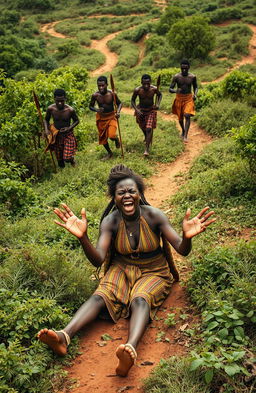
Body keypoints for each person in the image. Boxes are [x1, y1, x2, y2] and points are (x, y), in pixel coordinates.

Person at [37, 164, 215, 377]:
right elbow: (98, 260)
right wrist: (83, 237)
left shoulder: (154, 216)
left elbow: (181, 250)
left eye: (132, 191)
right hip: (120, 268)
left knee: (140, 299)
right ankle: (64, 336)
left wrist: (187, 237)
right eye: (121, 192)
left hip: (154, 270)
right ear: (114, 197)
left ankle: (129, 349)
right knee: (100, 296)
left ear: (140, 194)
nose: (127, 195)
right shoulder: (110, 221)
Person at [89, 76, 122, 160]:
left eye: (102, 85)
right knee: (102, 137)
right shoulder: (95, 95)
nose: (101, 87)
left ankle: (116, 139)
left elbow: (120, 103)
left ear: (107, 84)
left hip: (111, 116)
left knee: (111, 135)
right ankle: (109, 153)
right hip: (101, 118)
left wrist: (118, 112)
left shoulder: (112, 94)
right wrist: (97, 110)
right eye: (99, 86)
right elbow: (90, 106)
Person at [45, 88, 79, 168]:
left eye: (62, 101)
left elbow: (77, 121)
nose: (60, 103)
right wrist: (47, 130)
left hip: (68, 135)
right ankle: (64, 174)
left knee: (67, 158)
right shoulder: (51, 109)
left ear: (65, 99)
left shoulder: (70, 110)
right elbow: (46, 120)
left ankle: (71, 160)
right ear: (54, 99)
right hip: (56, 135)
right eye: (57, 101)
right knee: (60, 161)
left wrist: (69, 128)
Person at [131, 74, 162, 157]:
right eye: (144, 83)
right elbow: (132, 101)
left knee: (148, 128)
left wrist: (158, 104)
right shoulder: (137, 90)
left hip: (151, 110)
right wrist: (137, 110)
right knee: (142, 126)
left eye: (148, 83)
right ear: (141, 82)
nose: (146, 85)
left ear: (150, 82)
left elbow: (160, 95)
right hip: (141, 110)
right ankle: (147, 137)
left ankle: (147, 149)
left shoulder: (154, 89)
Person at [169, 60, 198, 142]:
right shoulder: (176, 77)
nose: (184, 70)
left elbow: (195, 87)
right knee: (180, 118)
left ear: (189, 67)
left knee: (187, 115)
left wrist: (195, 94)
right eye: (182, 68)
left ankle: (185, 136)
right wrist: (175, 91)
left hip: (188, 98)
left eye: (185, 68)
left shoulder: (192, 77)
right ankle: (183, 130)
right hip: (179, 98)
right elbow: (170, 89)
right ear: (180, 68)